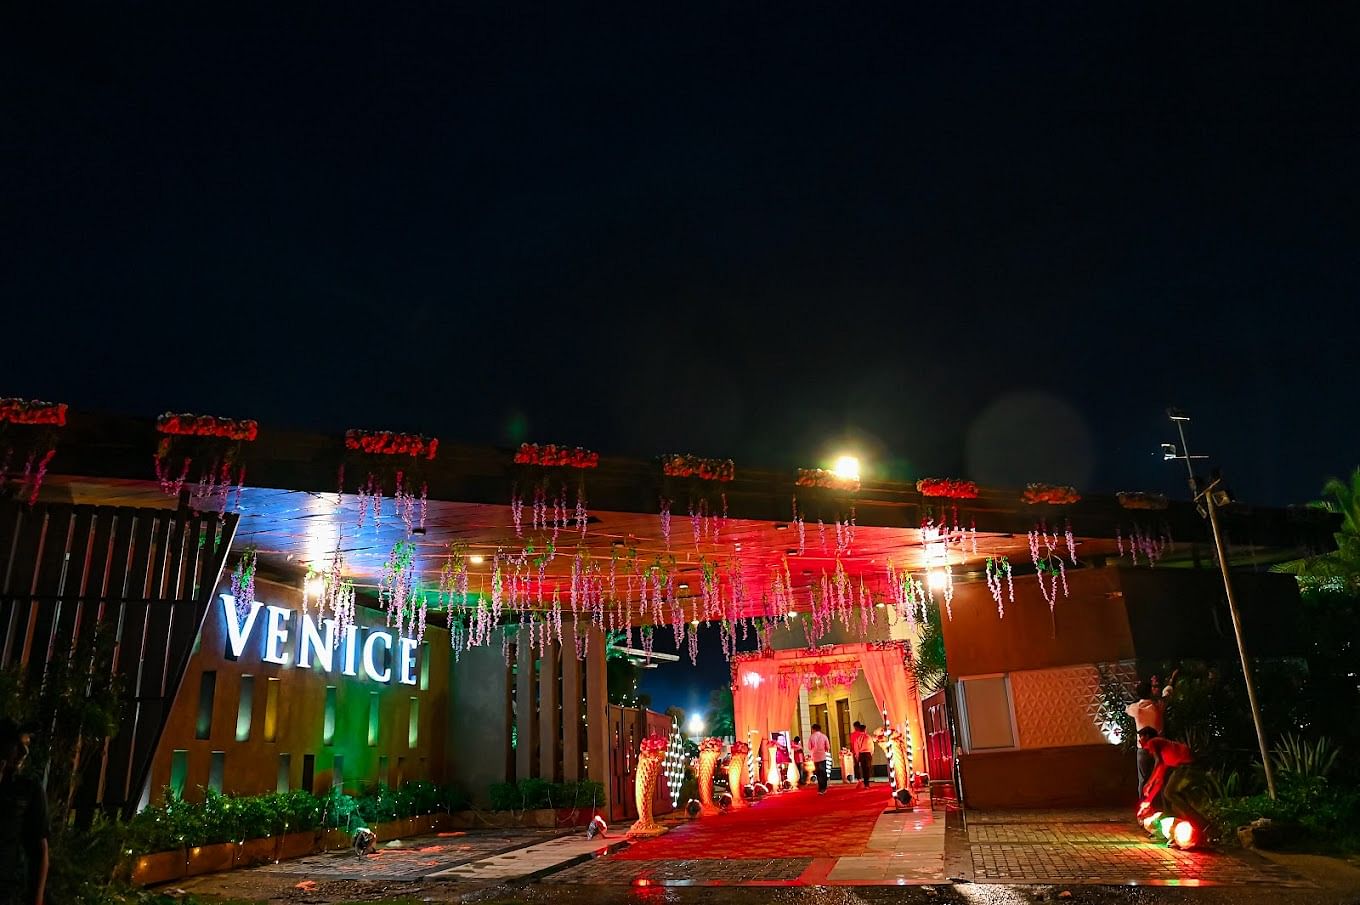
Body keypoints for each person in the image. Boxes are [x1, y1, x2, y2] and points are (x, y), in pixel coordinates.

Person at [0, 719, 47, 905]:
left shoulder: (28, 790)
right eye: (19, 745)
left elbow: (39, 850)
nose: (25, 752)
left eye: (26, 745)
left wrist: (37, 898)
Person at [1136, 727, 1205, 838]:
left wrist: (1148, 783)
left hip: (1186, 765)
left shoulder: (1153, 742)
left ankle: (1201, 824)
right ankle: (1190, 829)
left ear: (1148, 736)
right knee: (1173, 799)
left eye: (1141, 736)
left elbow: (1158, 763)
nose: (1139, 740)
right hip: (1184, 766)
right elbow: (1159, 781)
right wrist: (1148, 801)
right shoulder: (1165, 754)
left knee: (1169, 793)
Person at [1125, 671, 1177, 796]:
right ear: (1150, 692)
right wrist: (1171, 683)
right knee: (1162, 778)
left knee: (1143, 780)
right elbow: (1167, 694)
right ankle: (1165, 807)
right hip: (1159, 748)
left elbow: (1127, 709)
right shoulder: (1158, 706)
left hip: (1142, 748)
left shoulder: (1136, 709)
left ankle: (1143, 808)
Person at [806, 723, 831, 794]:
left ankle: (820, 788)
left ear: (813, 729)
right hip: (822, 756)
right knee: (823, 772)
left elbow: (809, 747)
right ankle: (824, 787)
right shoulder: (824, 736)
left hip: (815, 757)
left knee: (818, 773)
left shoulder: (811, 737)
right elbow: (828, 747)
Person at [849, 721, 873, 788]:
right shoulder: (868, 737)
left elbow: (855, 746)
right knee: (867, 768)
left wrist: (857, 755)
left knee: (862, 767)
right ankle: (866, 783)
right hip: (867, 753)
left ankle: (860, 780)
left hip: (861, 753)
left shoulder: (856, 736)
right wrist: (871, 753)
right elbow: (872, 746)